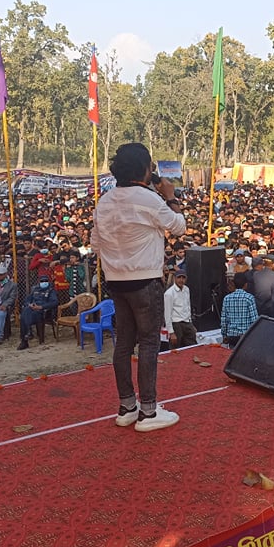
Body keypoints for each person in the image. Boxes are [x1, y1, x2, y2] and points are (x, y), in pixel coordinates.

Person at [91, 142, 186, 433]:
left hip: (116, 282)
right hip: (145, 281)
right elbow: (179, 227)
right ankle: (149, 411)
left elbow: (95, 244)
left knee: (123, 344)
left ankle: (127, 407)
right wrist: (170, 197)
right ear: (145, 169)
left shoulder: (104, 202)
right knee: (148, 344)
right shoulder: (150, 199)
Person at [18, 275, 59, 351]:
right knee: (25, 311)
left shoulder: (51, 291)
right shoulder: (35, 289)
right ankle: (27, 334)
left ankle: (25, 339)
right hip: (32, 309)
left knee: (24, 316)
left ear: (48, 282)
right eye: (42, 281)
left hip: (43, 311)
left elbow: (55, 302)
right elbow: (27, 300)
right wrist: (29, 304)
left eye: (46, 281)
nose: (44, 282)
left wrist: (41, 307)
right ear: (39, 282)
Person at [221, 272, 259, 347]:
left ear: (234, 284)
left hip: (231, 335)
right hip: (245, 336)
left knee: (232, 353)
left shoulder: (227, 298)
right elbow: (254, 320)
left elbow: (224, 320)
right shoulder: (249, 298)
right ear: (246, 285)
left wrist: (224, 335)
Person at [164, 269, 197, 348]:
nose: (181, 280)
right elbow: (167, 314)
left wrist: (191, 324)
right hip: (176, 324)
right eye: (179, 277)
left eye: (183, 278)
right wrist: (171, 332)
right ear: (175, 278)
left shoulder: (186, 289)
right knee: (176, 350)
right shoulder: (169, 293)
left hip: (187, 323)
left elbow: (188, 307)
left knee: (192, 348)